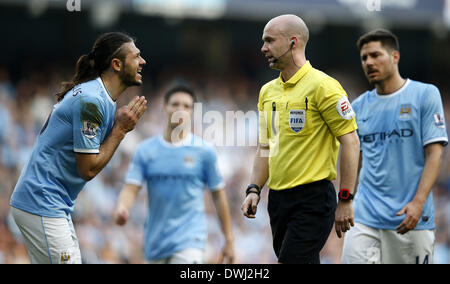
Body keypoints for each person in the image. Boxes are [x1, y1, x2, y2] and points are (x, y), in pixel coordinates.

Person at [9, 32, 148, 264]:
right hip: (42, 202)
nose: (142, 62)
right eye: (136, 56)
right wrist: (120, 131)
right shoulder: (92, 102)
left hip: (47, 204)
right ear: (116, 64)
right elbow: (88, 169)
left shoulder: (100, 98)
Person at [240, 14, 360, 264]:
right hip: (278, 200)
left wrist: (346, 199)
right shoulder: (267, 91)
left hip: (313, 199)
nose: (263, 48)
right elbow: (265, 146)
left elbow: (351, 141)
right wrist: (254, 189)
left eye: (269, 41)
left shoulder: (324, 86)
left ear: (293, 42)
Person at [341, 29, 448, 264]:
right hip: (365, 218)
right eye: (364, 57)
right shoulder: (358, 106)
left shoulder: (425, 95)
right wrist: (346, 199)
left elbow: (434, 155)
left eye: (376, 55)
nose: (369, 62)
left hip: (410, 218)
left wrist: (419, 202)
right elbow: (354, 159)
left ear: (395, 57)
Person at [114, 83, 235, 264]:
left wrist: (229, 239)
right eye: (175, 104)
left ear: (193, 112)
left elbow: (218, 196)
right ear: (165, 107)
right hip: (155, 242)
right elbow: (131, 188)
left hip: (190, 241)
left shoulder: (204, 152)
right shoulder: (145, 151)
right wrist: (122, 208)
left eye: (186, 106)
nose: (180, 109)